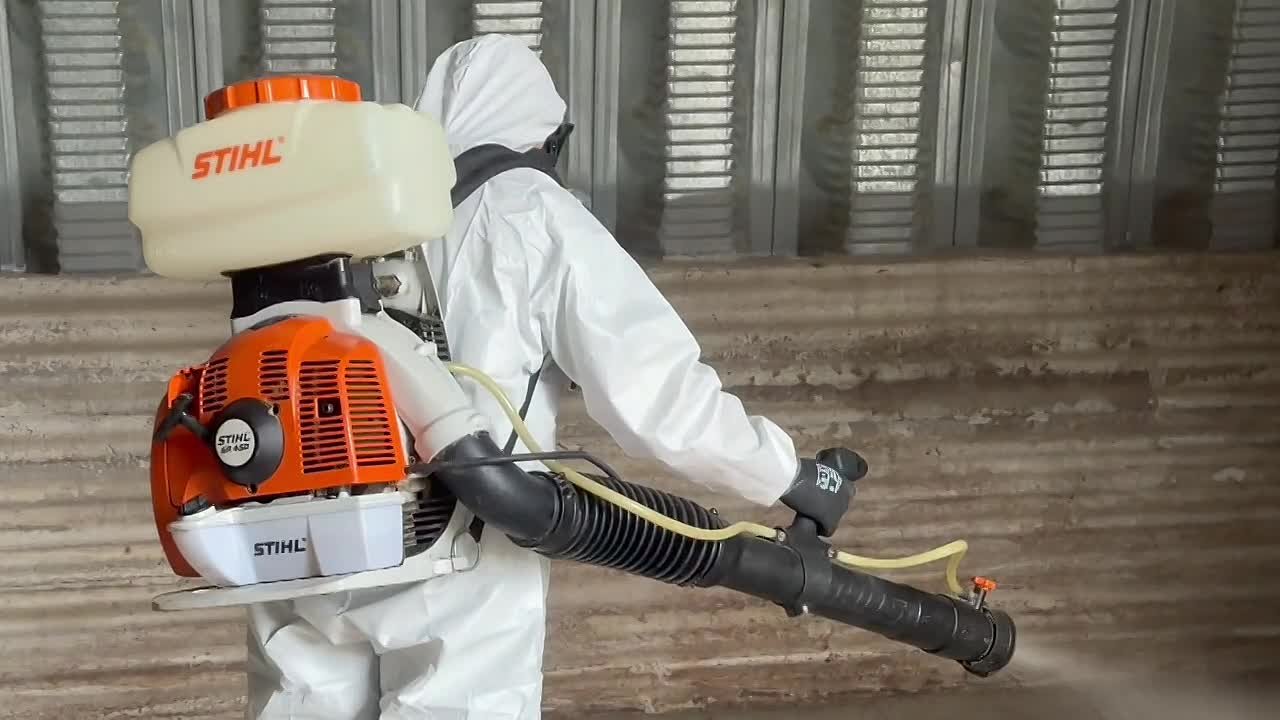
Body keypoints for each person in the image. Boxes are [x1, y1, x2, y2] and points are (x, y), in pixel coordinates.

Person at [246, 34, 841, 719]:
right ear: (542, 136)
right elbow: (660, 397)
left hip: (299, 534)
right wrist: (788, 476)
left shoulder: (348, 212)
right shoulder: (527, 209)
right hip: (458, 548)